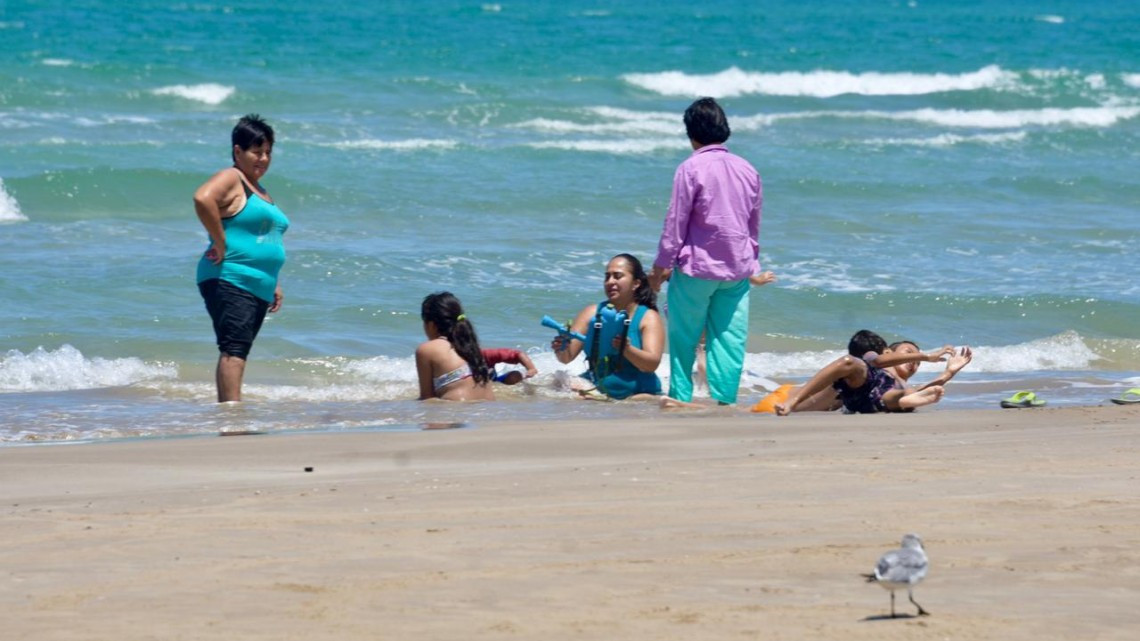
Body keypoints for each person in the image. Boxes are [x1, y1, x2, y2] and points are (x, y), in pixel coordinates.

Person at [649, 97, 762, 406]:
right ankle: (726, 400)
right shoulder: (748, 169)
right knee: (729, 339)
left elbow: (675, 224)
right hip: (737, 269)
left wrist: (659, 269)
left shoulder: (690, 168)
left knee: (684, 337)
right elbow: (753, 226)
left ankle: (681, 397)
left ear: (691, 132)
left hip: (697, 269)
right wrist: (752, 264)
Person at [194, 114, 289, 403]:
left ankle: (230, 410)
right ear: (238, 151)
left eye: (268, 152)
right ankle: (231, 414)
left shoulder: (259, 189)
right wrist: (219, 242)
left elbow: (260, 237)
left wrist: (274, 281)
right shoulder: (233, 177)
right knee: (234, 349)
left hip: (256, 283)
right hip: (230, 276)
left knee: (239, 350)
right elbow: (203, 198)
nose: (263, 158)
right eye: (256, 151)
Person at [774, 330, 969, 416]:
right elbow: (876, 360)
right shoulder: (877, 362)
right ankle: (905, 402)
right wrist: (927, 356)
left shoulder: (902, 383)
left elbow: (923, 390)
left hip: (881, 399)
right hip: (861, 387)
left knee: (906, 394)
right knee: (850, 362)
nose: (914, 360)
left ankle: (906, 402)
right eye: (909, 353)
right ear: (888, 351)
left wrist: (948, 373)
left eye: (917, 362)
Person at [552, 253, 664, 400]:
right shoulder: (591, 313)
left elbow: (651, 365)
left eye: (617, 276)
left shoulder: (648, 317)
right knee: (554, 383)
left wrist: (627, 349)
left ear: (636, 283)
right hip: (596, 389)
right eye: (607, 277)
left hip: (637, 393)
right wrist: (561, 348)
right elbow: (566, 358)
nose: (610, 282)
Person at [416, 292, 494, 401]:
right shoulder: (471, 348)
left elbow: (427, 398)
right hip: (489, 410)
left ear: (431, 325)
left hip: (457, 412)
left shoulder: (427, 349)